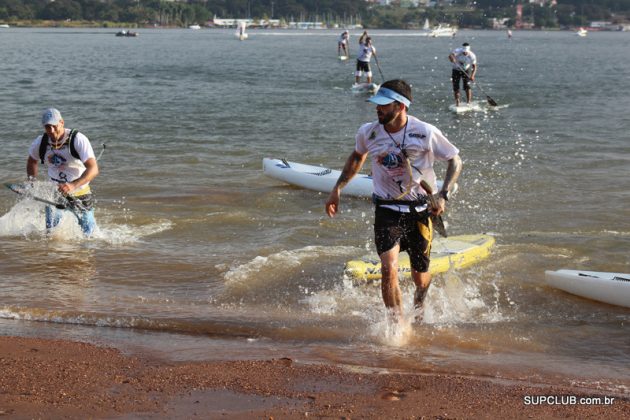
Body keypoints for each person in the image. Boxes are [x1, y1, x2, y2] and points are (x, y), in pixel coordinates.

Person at [325, 80, 462, 322]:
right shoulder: (369, 132)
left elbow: (455, 160)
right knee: (389, 269)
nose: (377, 109)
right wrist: (338, 188)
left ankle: (420, 305)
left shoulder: (425, 132)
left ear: (400, 107)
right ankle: (396, 327)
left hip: (420, 210)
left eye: (383, 106)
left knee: (420, 277)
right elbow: (358, 156)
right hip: (386, 208)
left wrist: (443, 194)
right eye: (377, 105)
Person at [26, 108, 99, 236]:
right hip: (55, 192)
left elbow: (93, 169)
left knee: (89, 234)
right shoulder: (41, 142)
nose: (52, 131)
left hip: (79, 190)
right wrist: (32, 183)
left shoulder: (78, 139)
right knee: (51, 234)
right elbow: (32, 161)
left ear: (62, 123)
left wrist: (72, 185)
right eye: (48, 127)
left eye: (54, 126)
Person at [448, 42, 477, 106]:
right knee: (456, 87)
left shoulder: (472, 56)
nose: (465, 53)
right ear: (462, 49)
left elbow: (474, 67)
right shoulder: (457, 51)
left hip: (466, 70)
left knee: (467, 86)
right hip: (456, 70)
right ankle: (457, 103)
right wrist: (451, 59)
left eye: (466, 52)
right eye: (464, 51)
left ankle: (468, 102)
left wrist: (472, 76)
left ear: (469, 50)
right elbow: (450, 56)